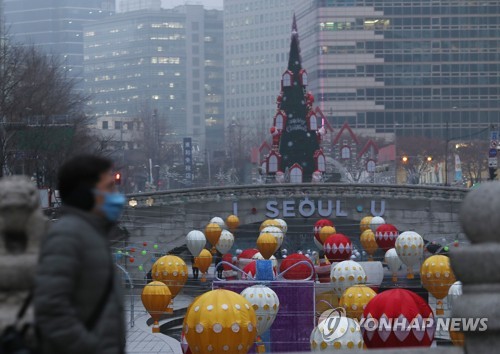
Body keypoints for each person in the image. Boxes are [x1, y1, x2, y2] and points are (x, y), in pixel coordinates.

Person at [34, 155, 126, 354]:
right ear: (87, 194)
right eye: (109, 187)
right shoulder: (67, 236)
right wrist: (89, 347)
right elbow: (50, 309)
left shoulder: (92, 233)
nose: (117, 195)